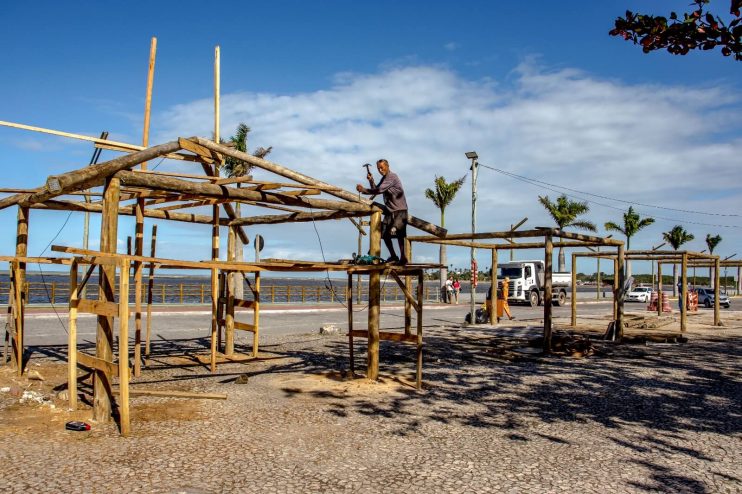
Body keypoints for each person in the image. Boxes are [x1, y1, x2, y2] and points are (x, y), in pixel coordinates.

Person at [356, 159, 408, 264]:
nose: (380, 170)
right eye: (378, 169)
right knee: (384, 234)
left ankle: (403, 258)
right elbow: (376, 188)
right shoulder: (385, 179)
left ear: (387, 166)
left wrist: (363, 190)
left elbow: (379, 191)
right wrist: (371, 180)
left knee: (399, 234)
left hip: (400, 210)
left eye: (382, 168)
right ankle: (393, 256)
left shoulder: (392, 177)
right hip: (390, 211)